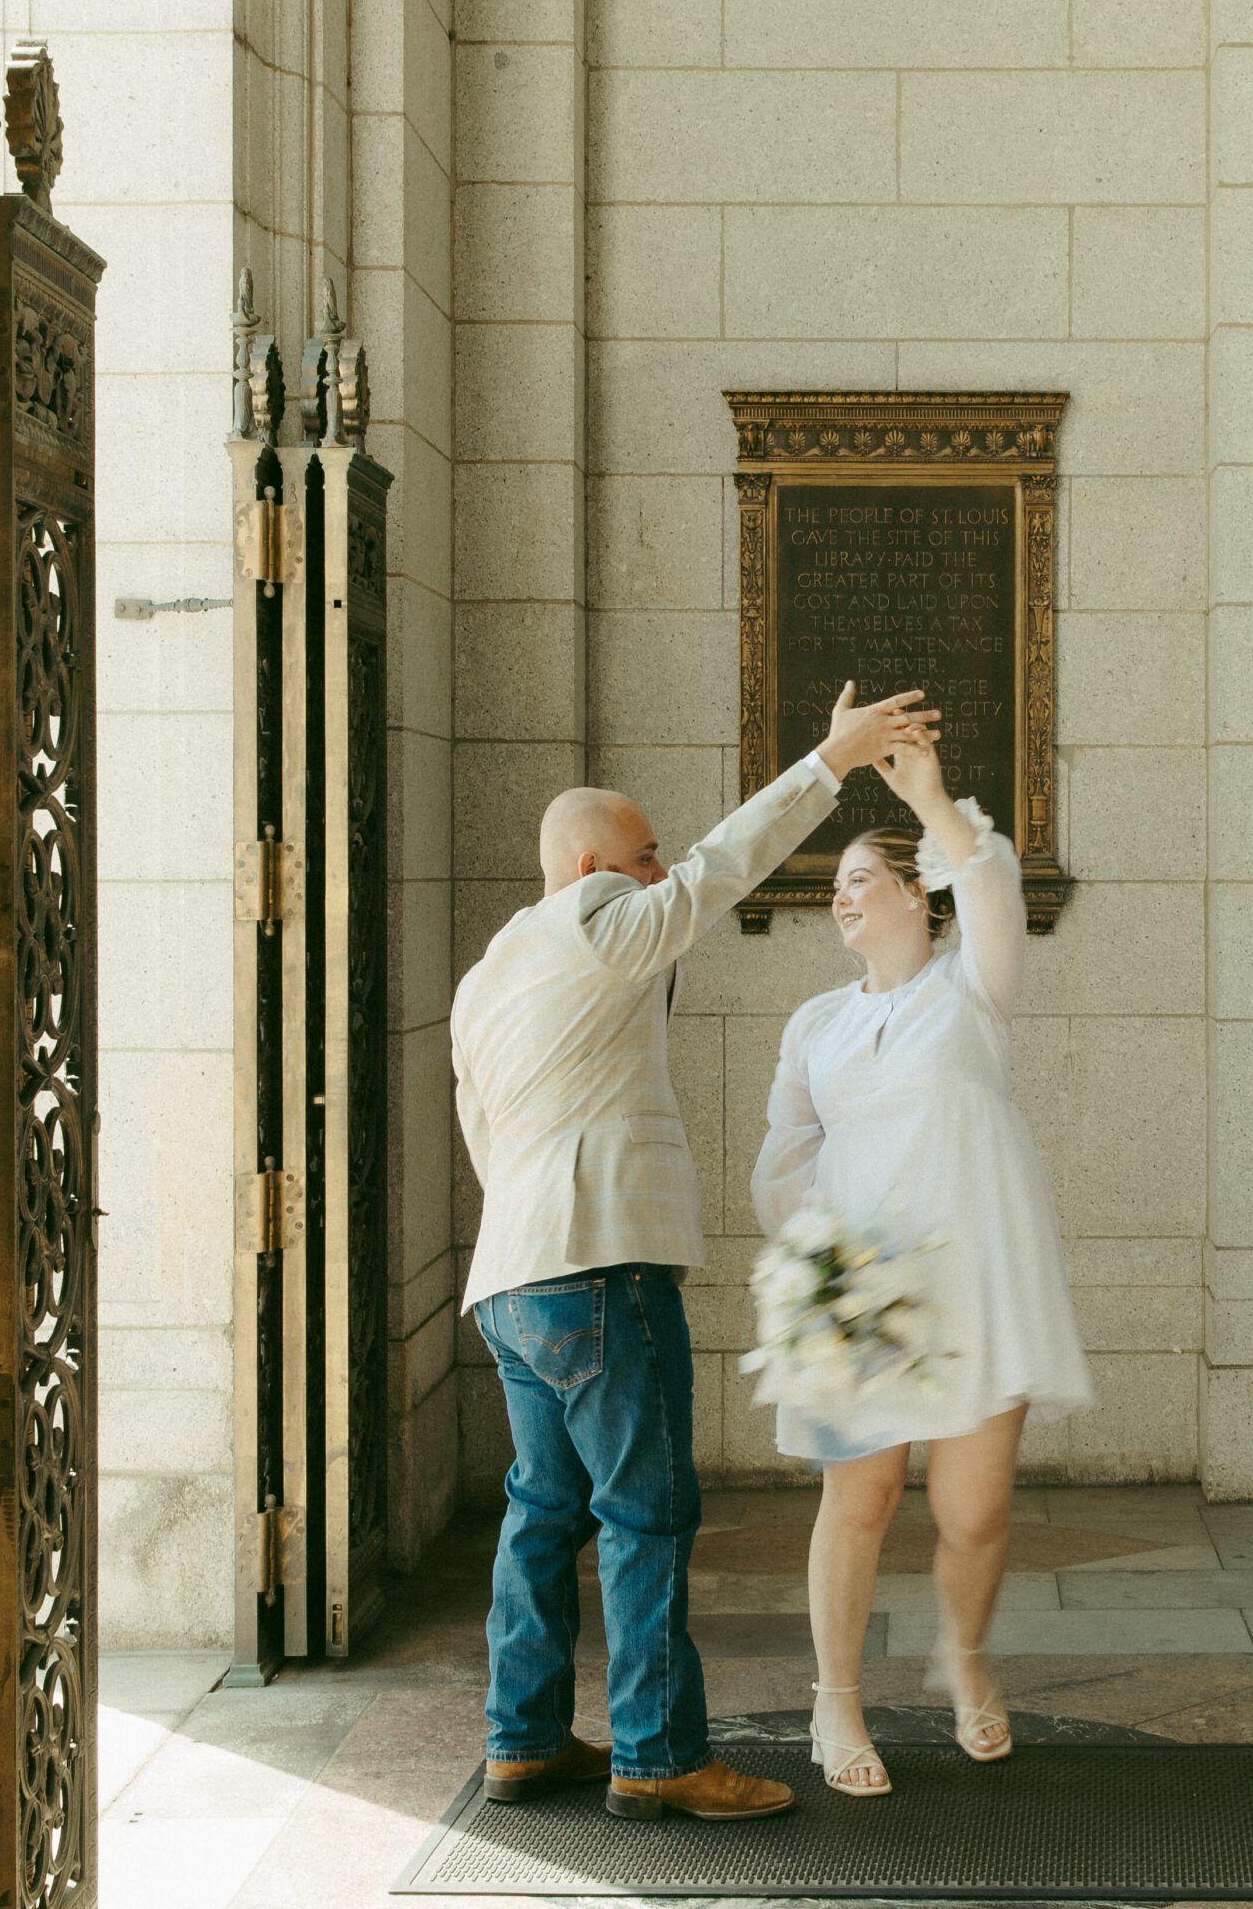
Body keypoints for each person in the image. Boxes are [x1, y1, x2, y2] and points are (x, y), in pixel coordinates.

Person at [452, 680, 937, 1823]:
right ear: (589, 872)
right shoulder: (594, 924)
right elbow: (724, 866)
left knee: (540, 1514)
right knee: (647, 1513)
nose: (661, 873)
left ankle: (520, 1743)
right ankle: (658, 1755)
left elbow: (479, 1124)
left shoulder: (490, 973)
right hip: (601, 1268)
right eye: (643, 856)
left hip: (512, 1276)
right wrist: (828, 761)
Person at [749, 727, 1093, 1797]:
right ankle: (834, 1702)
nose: (841, 899)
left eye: (861, 880)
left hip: (979, 1274)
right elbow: (782, 1163)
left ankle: (966, 1658)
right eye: (836, 886)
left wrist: (936, 799)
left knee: (972, 1511)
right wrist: (822, 1267)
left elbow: (988, 882)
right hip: (859, 1283)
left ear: (917, 893)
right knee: (856, 1499)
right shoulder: (812, 1024)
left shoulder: (970, 990)